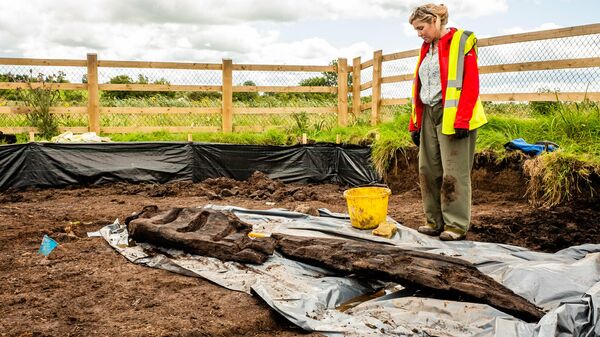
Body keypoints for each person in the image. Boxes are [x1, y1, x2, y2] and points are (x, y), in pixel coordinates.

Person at [408, 4, 487, 241]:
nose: (419, 33)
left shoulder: (462, 41)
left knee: (454, 172)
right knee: (428, 169)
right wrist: (415, 124)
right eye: (416, 29)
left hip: (453, 115)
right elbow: (419, 87)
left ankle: (454, 226)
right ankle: (434, 221)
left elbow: (471, 83)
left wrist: (462, 118)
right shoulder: (426, 48)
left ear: (435, 21)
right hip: (429, 113)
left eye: (421, 27)